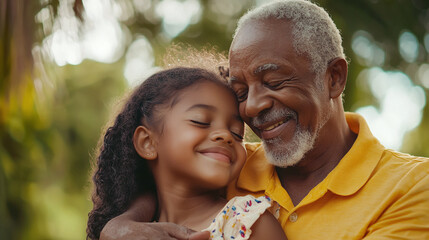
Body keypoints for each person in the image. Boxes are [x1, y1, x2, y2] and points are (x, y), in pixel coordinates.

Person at [100, 1, 429, 239]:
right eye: (241, 91)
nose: (252, 107)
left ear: (334, 78)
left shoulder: (413, 185)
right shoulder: (229, 162)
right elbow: (162, 180)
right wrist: (121, 225)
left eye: (274, 81)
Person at [86, 67, 287, 240]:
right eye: (200, 121)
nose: (226, 135)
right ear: (147, 143)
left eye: (237, 134)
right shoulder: (129, 232)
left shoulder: (249, 222)